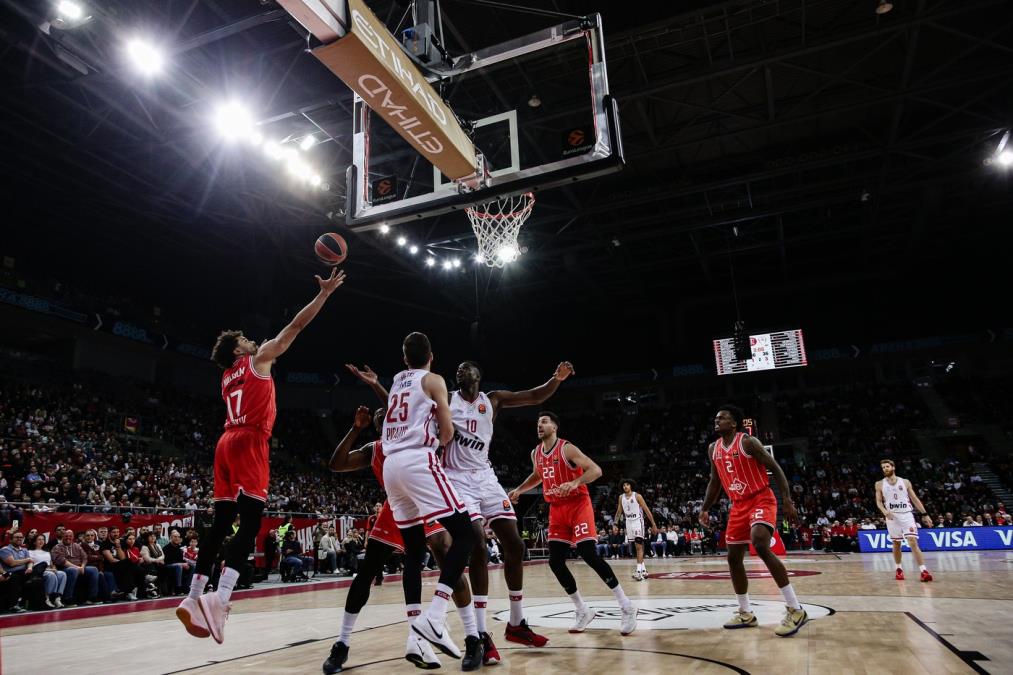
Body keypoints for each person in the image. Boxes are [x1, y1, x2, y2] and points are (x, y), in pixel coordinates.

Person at [347, 359, 574, 662]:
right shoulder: (445, 398)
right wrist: (376, 385)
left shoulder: (493, 400)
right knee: (477, 544)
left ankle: (517, 623)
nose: (460, 371)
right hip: (455, 479)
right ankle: (479, 635)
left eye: (466, 368)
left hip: (485, 476)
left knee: (515, 545)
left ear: (479, 375)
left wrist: (556, 379)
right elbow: (400, 409)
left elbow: (534, 396)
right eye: (457, 370)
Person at [175, 268, 346, 644]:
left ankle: (191, 597)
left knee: (220, 523)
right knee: (250, 523)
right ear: (239, 350)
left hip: (224, 441)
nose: (253, 340)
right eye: (246, 339)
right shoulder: (260, 358)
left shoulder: (225, 377)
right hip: (250, 439)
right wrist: (324, 294)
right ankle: (220, 600)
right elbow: (295, 328)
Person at [322, 406, 472, 674]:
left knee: (448, 559)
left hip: (427, 499)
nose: (384, 416)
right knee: (367, 571)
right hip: (397, 506)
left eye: (388, 412)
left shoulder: (419, 436)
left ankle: (471, 636)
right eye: (379, 417)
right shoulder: (375, 448)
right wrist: (356, 429)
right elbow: (336, 464)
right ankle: (342, 643)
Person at [508, 411, 637, 635]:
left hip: (578, 504)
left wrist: (575, 482)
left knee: (588, 553)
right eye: (538, 422)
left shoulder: (566, 448)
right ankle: (582, 609)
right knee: (555, 561)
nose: (540, 425)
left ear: (555, 427)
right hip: (556, 508)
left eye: (545, 422)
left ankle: (626, 605)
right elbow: (538, 475)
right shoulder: (535, 453)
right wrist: (519, 489)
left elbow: (596, 470)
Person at [699, 405, 808, 637]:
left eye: (722, 418)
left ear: (734, 423)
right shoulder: (713, 449)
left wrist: (787, 501)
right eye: (716, 418)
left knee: (759, 543)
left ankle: (795, 609)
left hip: (761, 498)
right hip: (737, 505)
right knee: (733, 557)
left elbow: (775, 468)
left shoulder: (748, 442)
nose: (717, 421)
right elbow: (714, 481)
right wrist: (705, 508)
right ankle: (745, 612)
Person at [875, 459, 933, 582]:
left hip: (906, 515)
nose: (885, 469)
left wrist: (925, 514)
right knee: (896, 543)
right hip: (892, 516)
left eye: (887, 466)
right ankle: (899, 569)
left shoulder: (905, 482)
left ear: (893, 467)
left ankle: (924, 571)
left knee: (912, 542)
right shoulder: (879, 484)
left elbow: (915, 499)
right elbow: (879, 502)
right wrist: (885, 511)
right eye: (883, 467)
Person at [614, 479, 658, 581]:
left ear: (631, 486)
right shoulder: (621, 498)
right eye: (624, 485)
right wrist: (615, 523)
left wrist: (653, 524)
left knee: (638, 546)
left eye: (627, 485)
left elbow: (647, 510)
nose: (625, 487)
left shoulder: (637, 496)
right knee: (636, 547)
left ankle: (638, 571)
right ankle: (644, 570)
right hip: (628, 523)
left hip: (638, 522)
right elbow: (618, 512)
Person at [52, 529, 100, 606]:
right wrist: (77, 568)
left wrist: (82, 567)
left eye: (70, 536)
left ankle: (92, 598)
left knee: (93, 569)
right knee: (73, 570)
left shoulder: (77, 546)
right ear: (62, 537)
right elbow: (62, 561)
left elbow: (85, 557)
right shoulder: (57, 547)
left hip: (79, 567)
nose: (68, 538)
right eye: (66, 536)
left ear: (73, 537)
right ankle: (68, 599)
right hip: (64, 568)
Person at [29, 533, 67, 607]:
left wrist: (54, 569)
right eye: (39, 539)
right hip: (38, 571)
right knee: (51, 575)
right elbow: (33, 565)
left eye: (43, 539)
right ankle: (47, 598)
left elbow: (51, 564)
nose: (41, 541)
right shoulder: (30, 552)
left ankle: (57, 598)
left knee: (62, 574)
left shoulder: (47, 552)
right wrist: (50, 570)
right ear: (34, 542)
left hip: (49, 569)